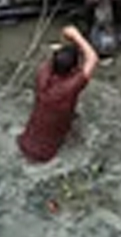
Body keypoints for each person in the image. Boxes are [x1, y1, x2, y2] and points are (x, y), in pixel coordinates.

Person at [16, 25, 99, 163]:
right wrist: (76, 36)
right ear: (73, 71)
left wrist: (67, 37)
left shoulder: (42, 74)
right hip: (45, 156)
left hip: (23, 143)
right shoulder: (71, 86)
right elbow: (93, 58)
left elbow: (58, 56)